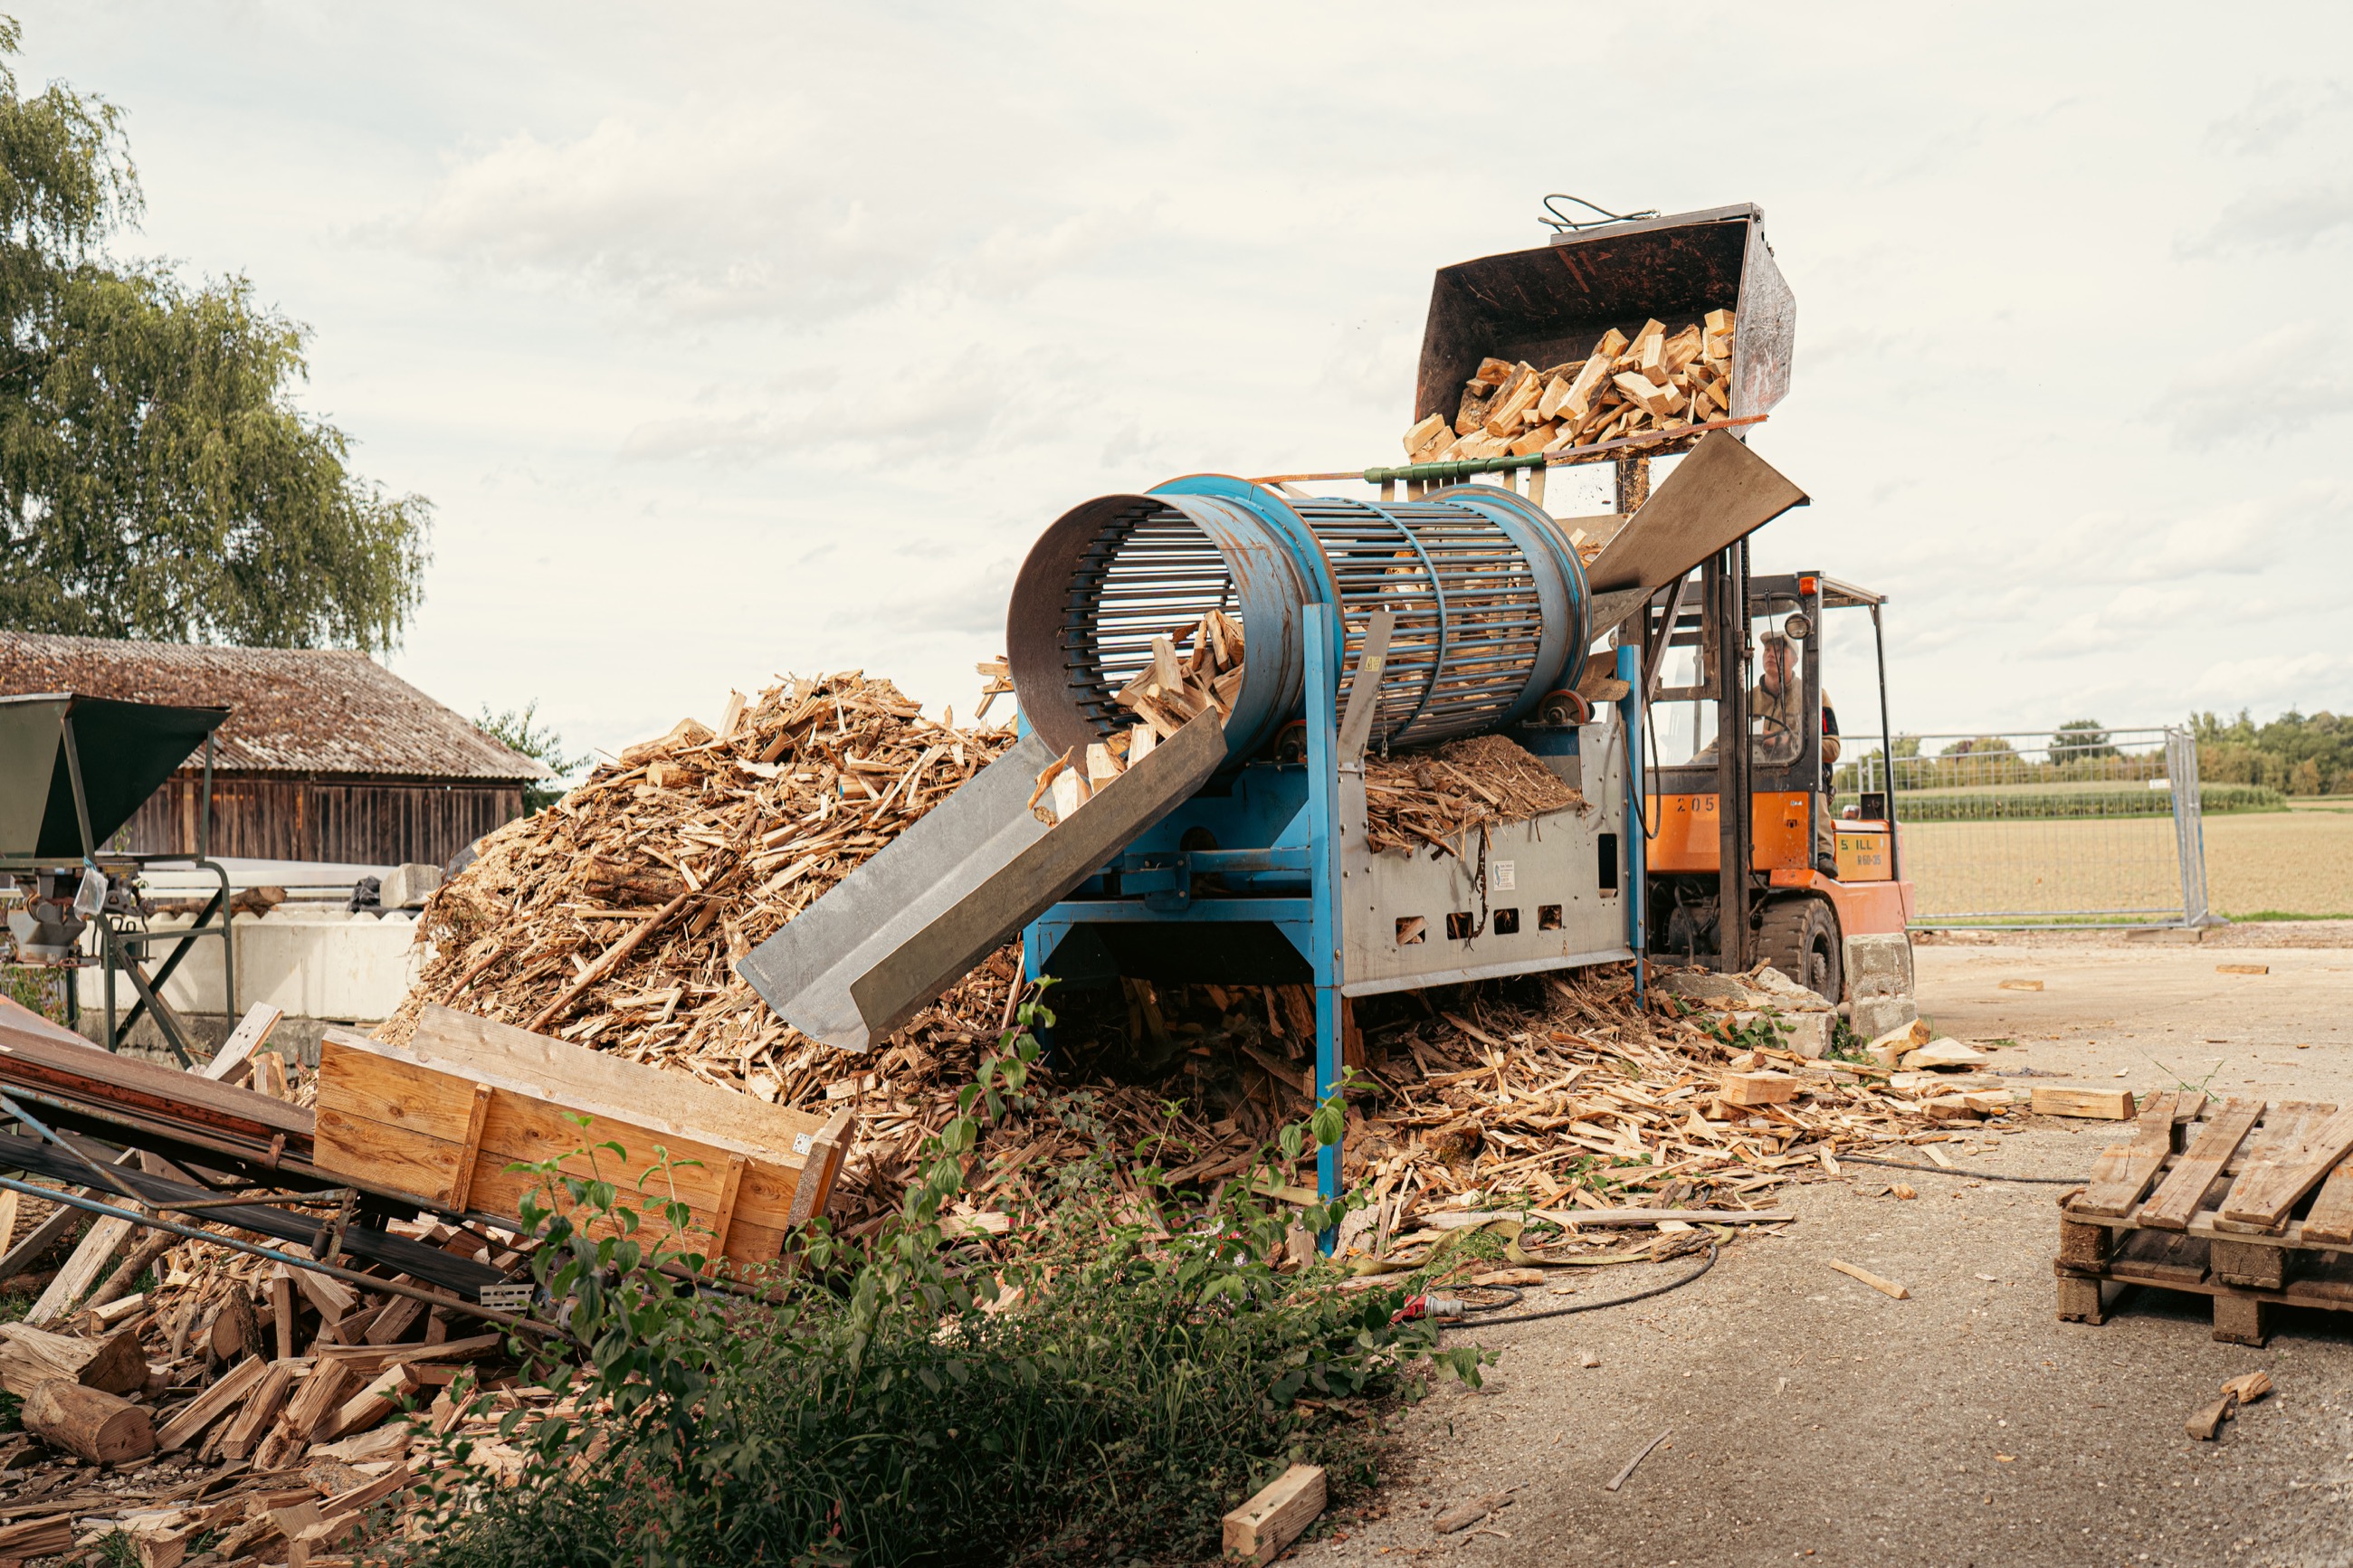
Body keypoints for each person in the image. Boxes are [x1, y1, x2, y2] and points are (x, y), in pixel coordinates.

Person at [1751, 629, 1841, 870]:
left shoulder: (1814, 696)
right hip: (1757, 778)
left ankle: (1822, 851)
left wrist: (1789, 743)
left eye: (1779, 650)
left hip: (1796, 776)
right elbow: (1723, 742)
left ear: (1795, 659)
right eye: (1767, 650)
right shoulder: (1747, 700)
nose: (1771, 654)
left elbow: (1832, 748)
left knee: (1809, 776)